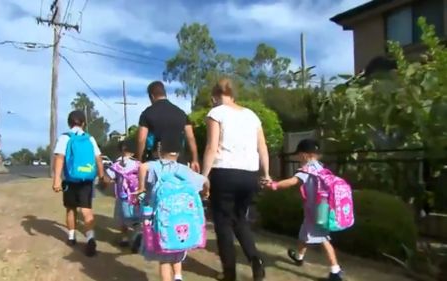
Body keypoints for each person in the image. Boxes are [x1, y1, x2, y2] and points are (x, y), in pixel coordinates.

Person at [201, 78, 270, 281]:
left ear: (215, 96)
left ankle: (229, 273)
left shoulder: (216, 113)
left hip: (224, 172)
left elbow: (212, 147)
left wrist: (203, 176)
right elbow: (262, 148)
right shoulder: (252, 115)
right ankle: (255, 260)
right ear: (233, 95)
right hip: (249, 174)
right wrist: (265, 174)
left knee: (222, 223)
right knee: (240, 219)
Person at [268, 139, 343, 281]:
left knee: (323, 239)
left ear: (304, 155)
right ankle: (299, 257)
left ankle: (335, 271)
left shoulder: (306, 170)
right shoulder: (321, 167)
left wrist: (274, 185)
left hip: (316, 213)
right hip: (319, 210)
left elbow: (292, 182)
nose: (297, 158)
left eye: (298, 155)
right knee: (304, 234)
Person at [137, 138, 210, 281]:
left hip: (162, 223)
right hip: (182, 222)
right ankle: (178, 276)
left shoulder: (156, 166)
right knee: (177, 251)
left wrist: (141, 187)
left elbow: (142, 167)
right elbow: (205, 180)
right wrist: (206, 192)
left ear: (159, 151)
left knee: (164, 259)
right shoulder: (185, 170)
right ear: (178, 153)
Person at [52, 110, 107, 257]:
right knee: (86, 209)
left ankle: (71, 236)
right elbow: (98, 158)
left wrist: (56, 178)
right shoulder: (90, 139)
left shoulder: (65, 137)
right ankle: (90, 238)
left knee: (71, 209)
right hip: (87, 179)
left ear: (69, 123)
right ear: (83, 123)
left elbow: (59, 158)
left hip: (70, 179)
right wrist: (102, 176)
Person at [136, 81, 200, 172]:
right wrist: (195, 160)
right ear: (165, 93)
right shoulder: (181, 113)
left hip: (157, 163)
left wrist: (139, 160)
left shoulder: (147, 114)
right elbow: (190, 137)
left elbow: (141, 139)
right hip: (179, 162)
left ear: (152, 96)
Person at [106, 140, 140, 249]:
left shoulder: (117, 165)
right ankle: (137, 234)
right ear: (134, 152)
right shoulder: (138, 164)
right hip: (135, 196)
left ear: (121, 150)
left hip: (123, 196)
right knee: (135, 218)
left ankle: (124, 238)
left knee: (122, 218)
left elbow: (107, 178)